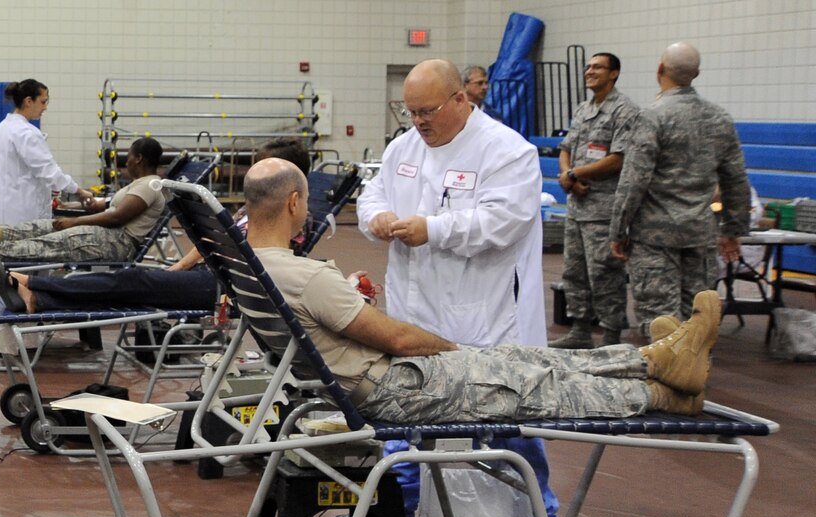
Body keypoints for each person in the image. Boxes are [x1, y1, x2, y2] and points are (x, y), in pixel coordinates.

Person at [241, 159, 718, 423]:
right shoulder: (304, 275)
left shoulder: (247, 265)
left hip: (372, 379)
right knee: (533, 383)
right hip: (392, 387)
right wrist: (452, 349)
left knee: (523, 359)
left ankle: (658, 361)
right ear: (295, 202)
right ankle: (662, 394)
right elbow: (402, 341)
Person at [358, 59, 555, 517]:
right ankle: (399, 511)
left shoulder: (507, 151)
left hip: (483, 319)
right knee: (406, 417)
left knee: (506, 423)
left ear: (461, 99)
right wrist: (376, 218)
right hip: (413, 315)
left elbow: (505, 222)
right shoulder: (404, 148)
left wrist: (435, 229)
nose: (419, 122)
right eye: (411, 112)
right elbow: (372, 196)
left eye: (427, 111)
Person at [0, 137, 315, 315]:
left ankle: (33, 287)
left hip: (229, 291)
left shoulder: (293, 217)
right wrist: (177, 269)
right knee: (132, 285)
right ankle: (38, 298)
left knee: (133, 279)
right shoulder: (254, 208)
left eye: (263, 171)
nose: (255, 178)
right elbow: (214, 245)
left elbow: (273, 265)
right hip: (214, 276)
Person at [609, 42, 751, 332]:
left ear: (660, 69)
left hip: (654, 237)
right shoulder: (720, 118)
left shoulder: (652, 116)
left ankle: (667, 376)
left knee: (662, 319)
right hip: (699, 235)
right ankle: (697, 373)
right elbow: (735, 178)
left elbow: (634, 180)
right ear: (696, 74)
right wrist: (732, 229)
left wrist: (618, 229)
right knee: (698, 316)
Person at [0, 137, 166, 264]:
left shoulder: (150, 185)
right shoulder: (138, 184)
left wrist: (75, 221)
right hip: (109, 235)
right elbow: (108, 206)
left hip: (119, 243)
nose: (126, 161)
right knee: (44, 226)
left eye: (128, 155)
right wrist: (74, 206)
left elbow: (118, 217)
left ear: (138, 158)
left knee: (54, 241)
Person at [552, 53, 642, 348]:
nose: (589, 71)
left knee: (604, 274)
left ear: (613, 74)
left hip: (604, 209)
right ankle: (580, 329)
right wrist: (567, 175)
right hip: (577, 206)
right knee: (574, 271)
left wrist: (574, 173)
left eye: (597, 67)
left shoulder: (624, 110)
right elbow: (565, 147)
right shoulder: (582, 109)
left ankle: (612, 336)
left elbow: (618, 159)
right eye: (588, 67)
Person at [0, 79, 90, 226]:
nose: (45, 108)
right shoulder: (26, 133)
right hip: (25, 216)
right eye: (43, 102)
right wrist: (78, 190)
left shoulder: (2, 128)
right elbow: (49, 172)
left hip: (4, 212)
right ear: (29, 101)